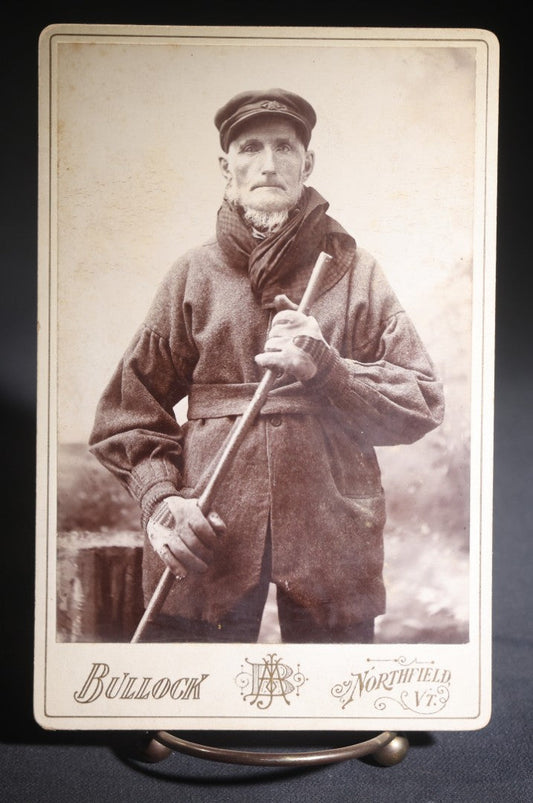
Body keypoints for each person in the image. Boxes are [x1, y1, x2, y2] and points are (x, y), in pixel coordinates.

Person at [89, 88, 444, 644]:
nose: (270, 163)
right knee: (192, 696)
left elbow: (421, 400)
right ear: (226, 166)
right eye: (251, 147)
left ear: (308, 162)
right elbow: (127, 413)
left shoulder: (356, 272)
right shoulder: (193, 274)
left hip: (334, 524)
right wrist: (163, 501)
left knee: (335, 700)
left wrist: (328, 369)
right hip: (207, 523)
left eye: (285, 146)